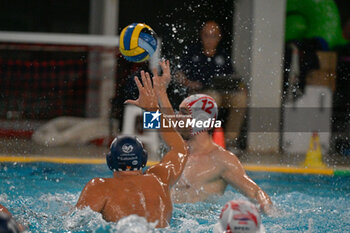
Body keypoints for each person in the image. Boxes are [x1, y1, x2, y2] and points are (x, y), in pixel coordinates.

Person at [154, 60, 273, 215]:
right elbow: (166, 122)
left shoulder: (221, 160)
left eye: (184, 113)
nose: (177, 117)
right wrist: (161, 92)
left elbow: (256, 193)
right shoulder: (178, 150)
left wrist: (267, 209)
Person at [75, 67, 188, 228]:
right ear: (144, 159)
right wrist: (152, 110)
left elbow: (72, 224)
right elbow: (180, 149)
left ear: (110, 161)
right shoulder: (160, 178)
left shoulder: (99, 187)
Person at [175, 20, 248, 149]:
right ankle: (203, 139)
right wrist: (189, 83)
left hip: (220, 91)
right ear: (201, 35)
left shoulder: (223, 55)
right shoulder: (193, 52)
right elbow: (178, 74)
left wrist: (241, 87)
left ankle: (230, 141)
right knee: (213, 98)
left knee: (240, 99)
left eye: (213, 35)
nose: (209, 39)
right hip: (198, 93)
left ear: (219, 37)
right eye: (206, 35)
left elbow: (233, 76)